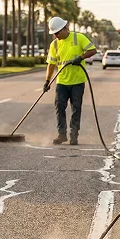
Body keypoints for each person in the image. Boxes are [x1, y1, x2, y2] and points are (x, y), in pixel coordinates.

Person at [45, 17, 97, 145]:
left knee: (76, 108)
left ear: (64, 28)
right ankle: (61, 135)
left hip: (78, 81)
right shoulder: (54, 44)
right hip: (61, 82)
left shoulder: (78, 37)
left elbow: (93, 50)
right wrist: (47, 81)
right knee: (59, 107)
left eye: (57, 32)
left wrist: (81, 57)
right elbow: (51, 64)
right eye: (54, 33)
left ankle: (74, 135)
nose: (56, 35)